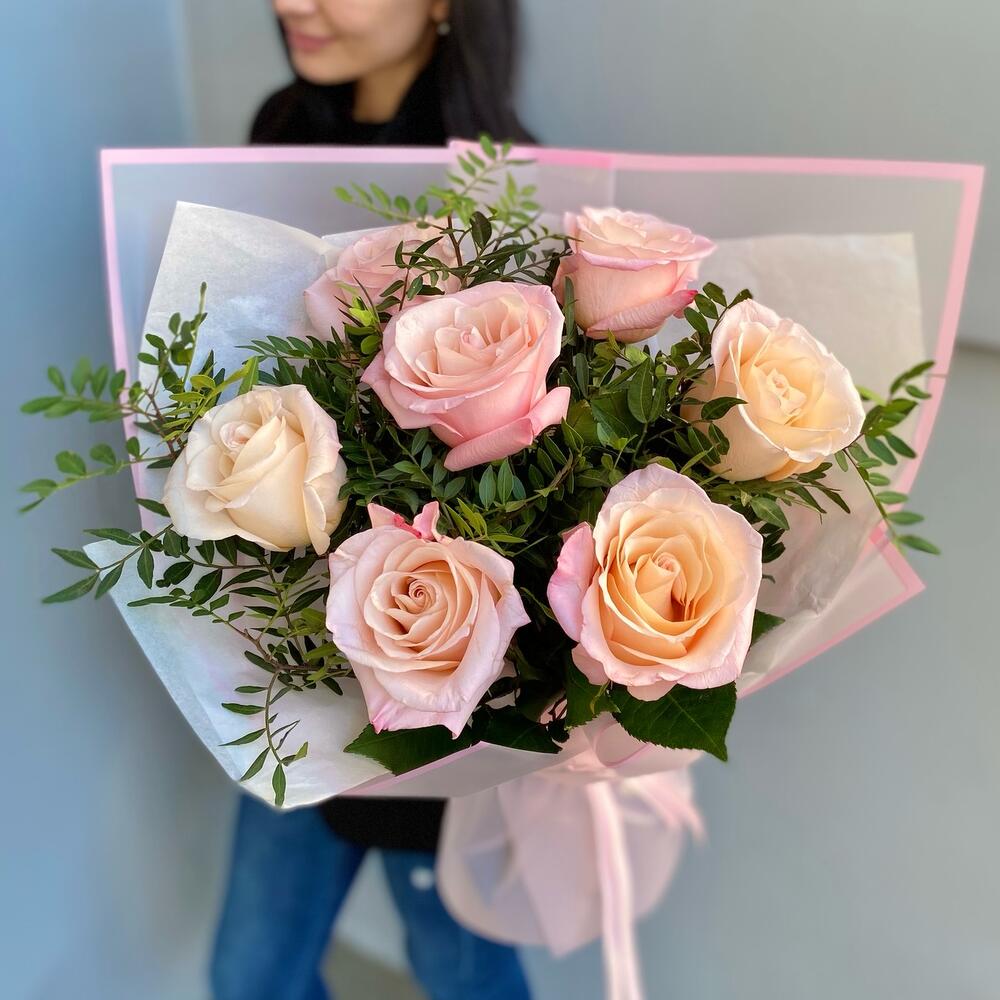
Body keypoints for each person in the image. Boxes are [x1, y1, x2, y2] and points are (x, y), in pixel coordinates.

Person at [210, 3, 534, 998]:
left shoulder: (501, 173)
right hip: (296, 653)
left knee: (461, 966)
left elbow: (523, 466)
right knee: (249, 975)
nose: (293, 4)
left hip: (435, 670)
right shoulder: (281, 129)